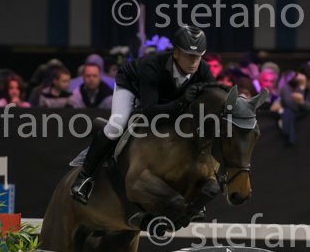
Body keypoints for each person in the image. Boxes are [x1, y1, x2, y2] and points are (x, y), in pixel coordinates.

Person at [70, 25, 215, 204]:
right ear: (176, 53)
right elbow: (149, 111)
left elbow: (214, 97)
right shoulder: (151, 67)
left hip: (164, 94)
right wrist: (182, 102)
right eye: (189, 55)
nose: (194, 61)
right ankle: (85, 177)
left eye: (198, 56)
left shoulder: (203, 70)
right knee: (117, 125)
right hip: (132, 85)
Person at [279, 64, 310, 145]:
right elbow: (294, 108)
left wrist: (302, 102)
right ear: (305, 79)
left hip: (307, 131)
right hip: (288, 130)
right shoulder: (287, 88)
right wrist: (301, 87)